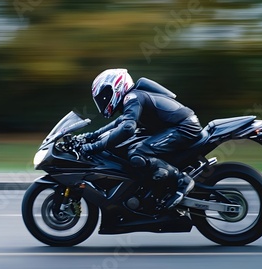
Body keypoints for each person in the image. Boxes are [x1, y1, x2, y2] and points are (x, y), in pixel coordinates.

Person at [80, 68, 203, 209]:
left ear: (117, 86)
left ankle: (182, 180)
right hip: (173, 127)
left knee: (138, 154)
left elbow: (127, 128)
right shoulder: (132, 99)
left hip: (184, 127)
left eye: (105, 95)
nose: (103, 100)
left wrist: (94, 147)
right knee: (130, 149)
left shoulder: (132, 97)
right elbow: (117, 124)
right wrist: (90, 136)